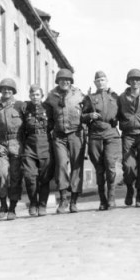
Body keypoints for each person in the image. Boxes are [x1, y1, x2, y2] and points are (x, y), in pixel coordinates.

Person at [45, 68, 86, 214]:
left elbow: (87, 112)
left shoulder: (79, 95)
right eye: (62, 80)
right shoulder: (51, 96)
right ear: (58, 81)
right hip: (59, 135)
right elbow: (47, 116)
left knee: (77, 165)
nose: (65, 82)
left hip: (76, 134)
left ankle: (74, 200)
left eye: (68, 80)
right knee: (61, 164)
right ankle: (63, 199)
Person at [82, 71, 121, 211]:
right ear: (95, 83)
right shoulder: (89, 98)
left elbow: (122, 114)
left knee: (110, 165)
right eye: (98, 80)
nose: (100, 82)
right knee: (99, 169)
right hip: (95, 135)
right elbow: (81, 116)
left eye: (103, 80)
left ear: (107, 81)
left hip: (111, 134)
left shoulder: (115, 97)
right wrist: (89, 115)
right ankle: (102, 200)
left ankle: (111, 198)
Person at [117, 68, 140, 207]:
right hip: (128, 135)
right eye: (132, 80)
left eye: (138, 79)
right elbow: (116, 113)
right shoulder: (121, 97)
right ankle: (129, 189)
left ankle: (139, 196)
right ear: (128, 81)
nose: (135, 82)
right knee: (128, 166)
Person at [0, 78, 24, 220]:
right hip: (2, 142)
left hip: (17, 142)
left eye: (10, 89)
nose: (7, 91)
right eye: (4, 89)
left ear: (14, 91)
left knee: (15, 176)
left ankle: (12, 208)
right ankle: (3, 205)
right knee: (0, 173)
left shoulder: (20, 106)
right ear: (0, 90)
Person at [20, 84, 54, 217]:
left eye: (37, 95)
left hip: (45, 143)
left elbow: (55, 122)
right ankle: (33, 203)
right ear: (29, 96)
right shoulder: (25, 108)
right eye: (32, 95)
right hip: (30, 145)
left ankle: (42, 205)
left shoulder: (48, 108)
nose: (35, 97)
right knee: (30, 177)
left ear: (42, 96)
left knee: (44, 178)